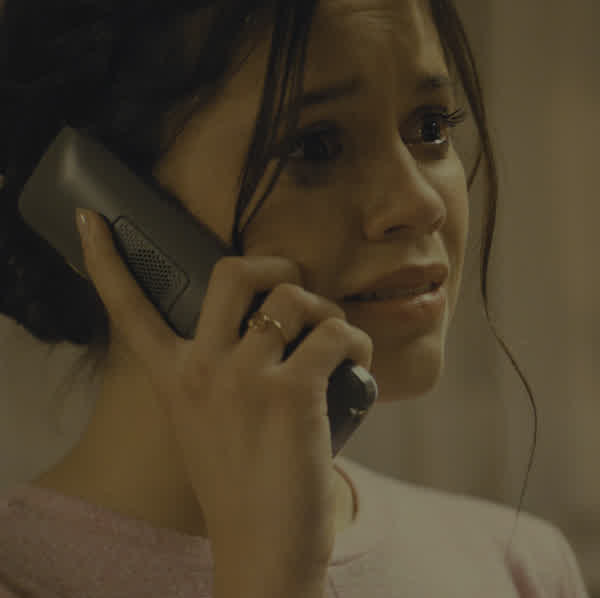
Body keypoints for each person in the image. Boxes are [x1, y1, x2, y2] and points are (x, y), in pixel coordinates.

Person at [0, 0, 591, 596]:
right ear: (97, 199)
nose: (422, 203)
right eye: (317, 145)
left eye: (431, 127)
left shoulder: (521, 568)